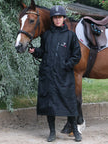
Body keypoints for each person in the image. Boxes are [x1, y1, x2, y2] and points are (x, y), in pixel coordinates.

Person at [29, 5, 82, 142]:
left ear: (64, 18)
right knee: (49, 105)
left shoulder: (70, 35)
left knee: (69, 104)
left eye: (60, 17)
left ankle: (75, 131)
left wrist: (66, 66)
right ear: (52, 19)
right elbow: (43, 52)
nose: (57, 20)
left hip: (64, 77)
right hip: (49, 76)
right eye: (55, 18)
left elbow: (76, 56)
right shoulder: (46, 35)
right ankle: (52, 132)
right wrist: (35, 52)